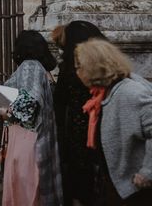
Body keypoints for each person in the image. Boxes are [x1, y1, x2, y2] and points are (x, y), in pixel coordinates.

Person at [0, 30, 63, 206]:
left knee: (25, 183)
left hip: (27, 135)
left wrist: (5, 111)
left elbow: (29, 101)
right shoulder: (40, 68)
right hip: (34, 134)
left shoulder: (30, 66)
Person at [75, 38, 152, 205]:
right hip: (114, 184)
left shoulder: (131, 93)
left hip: (135, 191)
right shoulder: (102, 93)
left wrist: (147, 173)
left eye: (79, 67)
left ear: (94, 66)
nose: (77, 72)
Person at [52, 20, 106, 205]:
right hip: (99, 127)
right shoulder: (105, 66)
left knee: (80, 177)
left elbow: (60, 99)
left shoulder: (70, 67)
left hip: (76, 128)